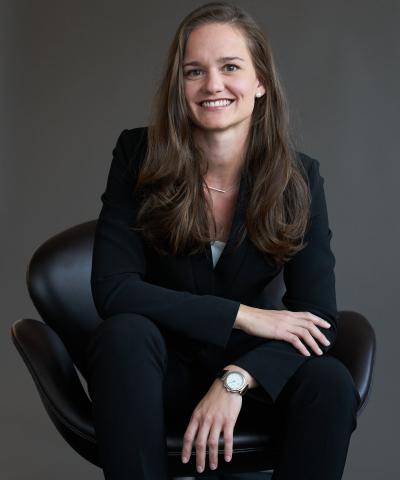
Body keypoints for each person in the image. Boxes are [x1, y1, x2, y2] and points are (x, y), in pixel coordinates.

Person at [86, 2, 361, 479]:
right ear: (180, 87)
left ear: (260, 84)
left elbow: (317, 318)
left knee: (330, 381)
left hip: (251, 384)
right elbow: (113, 289)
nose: (212, 85)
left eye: (230, 67)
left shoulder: (299, 177)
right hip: (155, 375)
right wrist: (245, 316)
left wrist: (237, 380)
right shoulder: (138, 154)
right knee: (123, 334)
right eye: (195, 71)